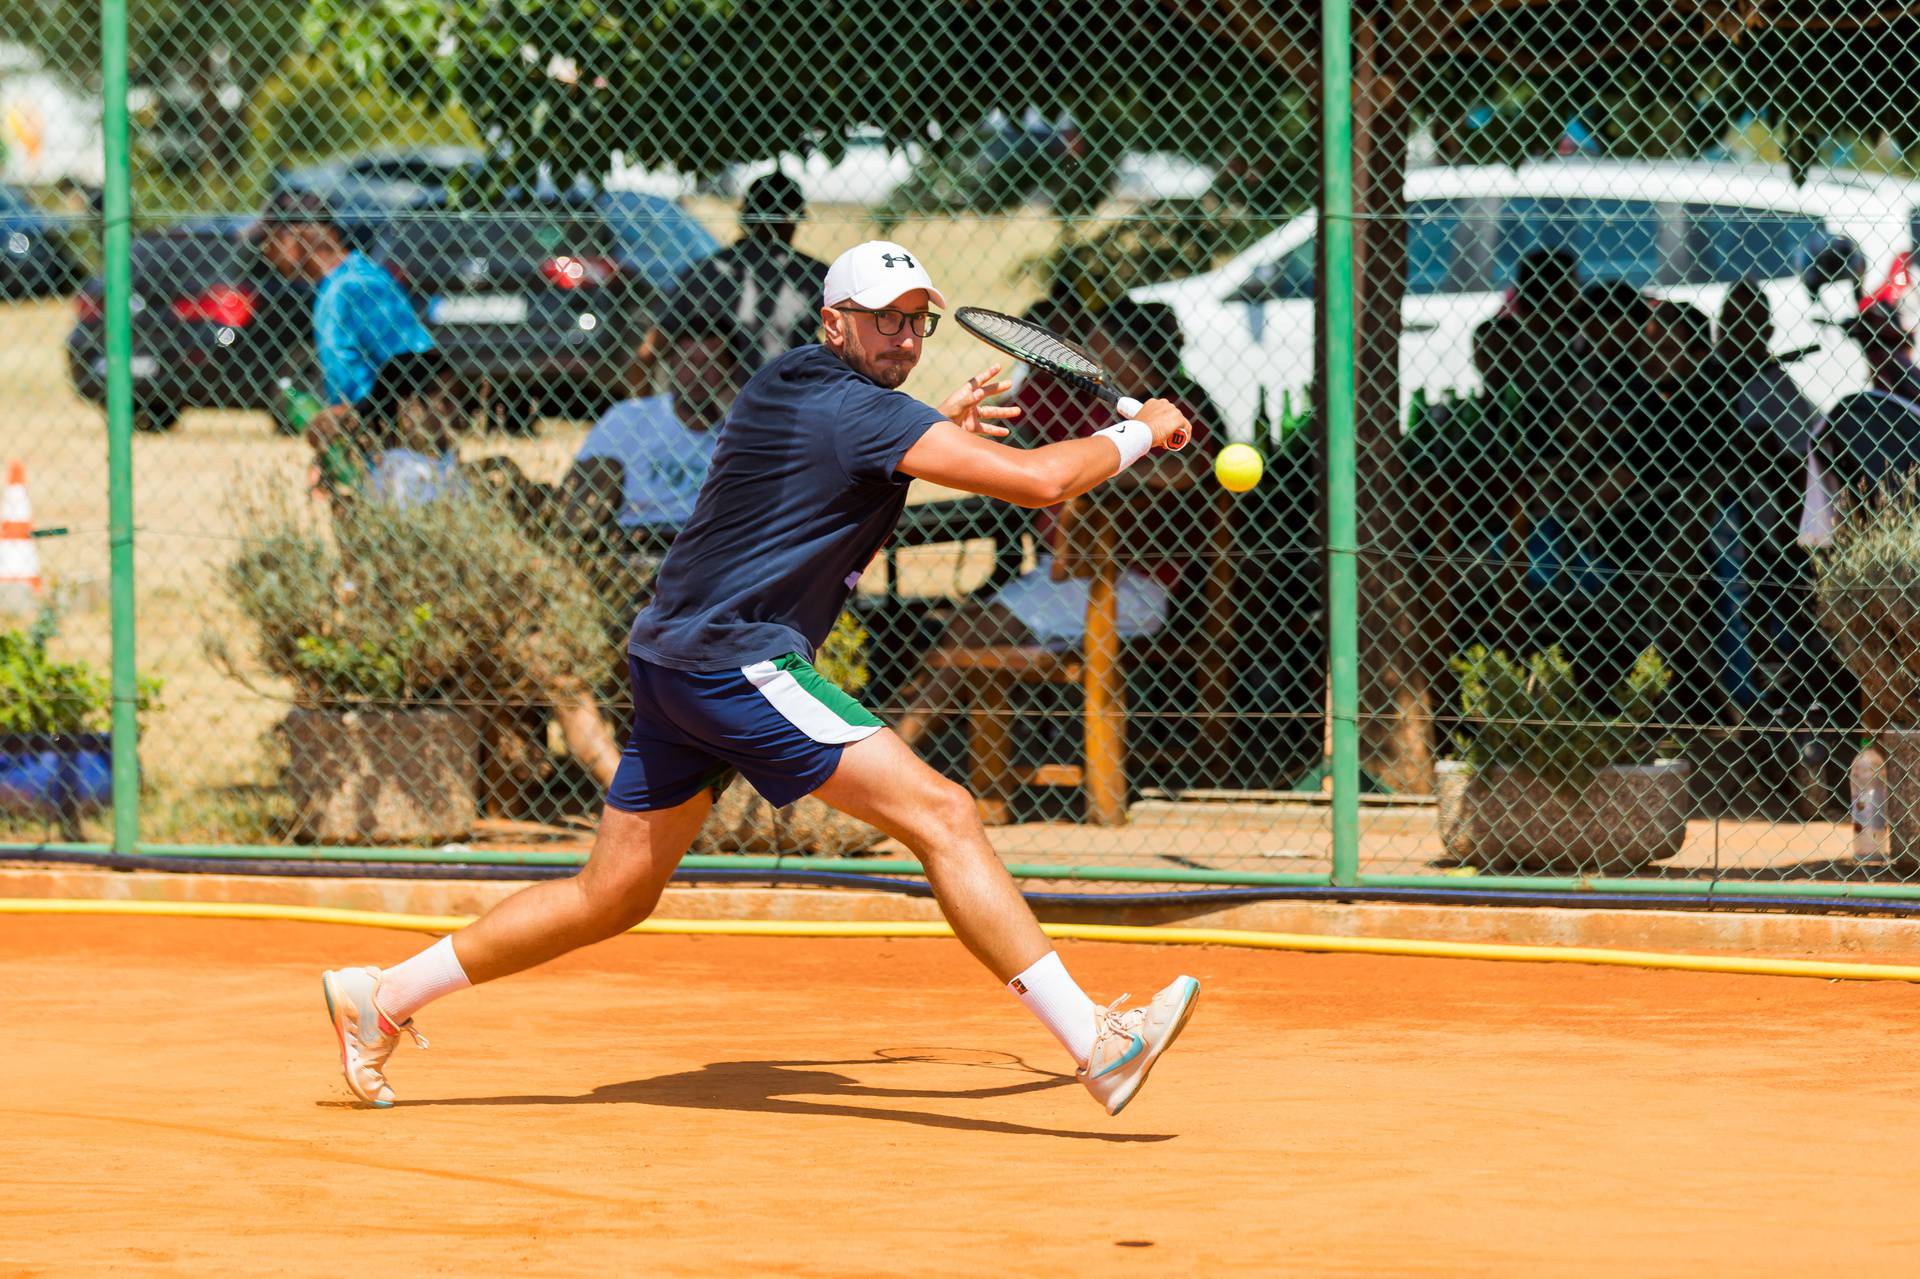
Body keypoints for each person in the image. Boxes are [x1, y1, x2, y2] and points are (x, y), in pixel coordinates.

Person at [320, 240, 1202, 1116]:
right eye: (882, 318)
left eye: (916, 320)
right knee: (945, 812)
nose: (902, 335)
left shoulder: (789, 381)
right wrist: (1138, 429)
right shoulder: (864, 413)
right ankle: (1098, 1043)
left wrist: (933, 424)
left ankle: (383, 995)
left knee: (612, 893)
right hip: (738, 659)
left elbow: (829, 472)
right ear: (833, 321)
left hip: (671, 656)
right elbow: (1042, 479)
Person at [891, 296, 1218, 748]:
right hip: (1070, 578)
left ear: (1134, 356)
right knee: (965, 628)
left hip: (1134, 589)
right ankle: (895, 751)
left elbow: (1189, 469)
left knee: (970, 633)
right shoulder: (1103, 411)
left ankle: (895, 754)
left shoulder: (1170, 409)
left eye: (1103, 350)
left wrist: (1108, 474)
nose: (1091, 358)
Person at [248, 190, 437, 465]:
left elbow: (421, 369)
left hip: (403, 459)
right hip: (373, 453)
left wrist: (349, 417)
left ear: (295, 237)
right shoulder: (332, 287)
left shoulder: (357, 286)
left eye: (269, 243)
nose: (267, 255)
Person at [567, 309, 747, 539]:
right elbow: (576, 486)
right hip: (625, 537)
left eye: (711, 363)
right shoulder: (628, 417)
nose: (698, 373)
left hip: (702, 545)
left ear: (731, 370)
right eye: (688, 361)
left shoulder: (743, 436)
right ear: (670, 364)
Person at [657, 171, 829, 372]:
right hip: (792, 392)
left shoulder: (707, 270)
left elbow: (655, 342)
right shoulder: (814, 273)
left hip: (725, 397)